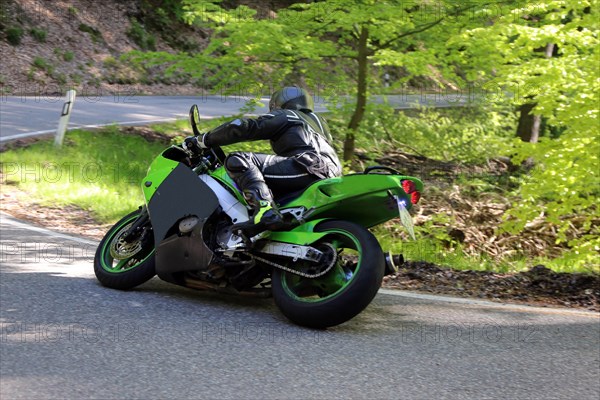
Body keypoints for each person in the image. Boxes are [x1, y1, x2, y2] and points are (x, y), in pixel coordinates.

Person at [184, 87, 342, 236]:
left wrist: (203, 140)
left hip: (308, 166)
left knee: (239, 159)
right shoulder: (318, 126)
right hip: (331, 174)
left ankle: (265, 211)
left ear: (278, 104)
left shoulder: (288, 115)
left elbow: (241, 127)